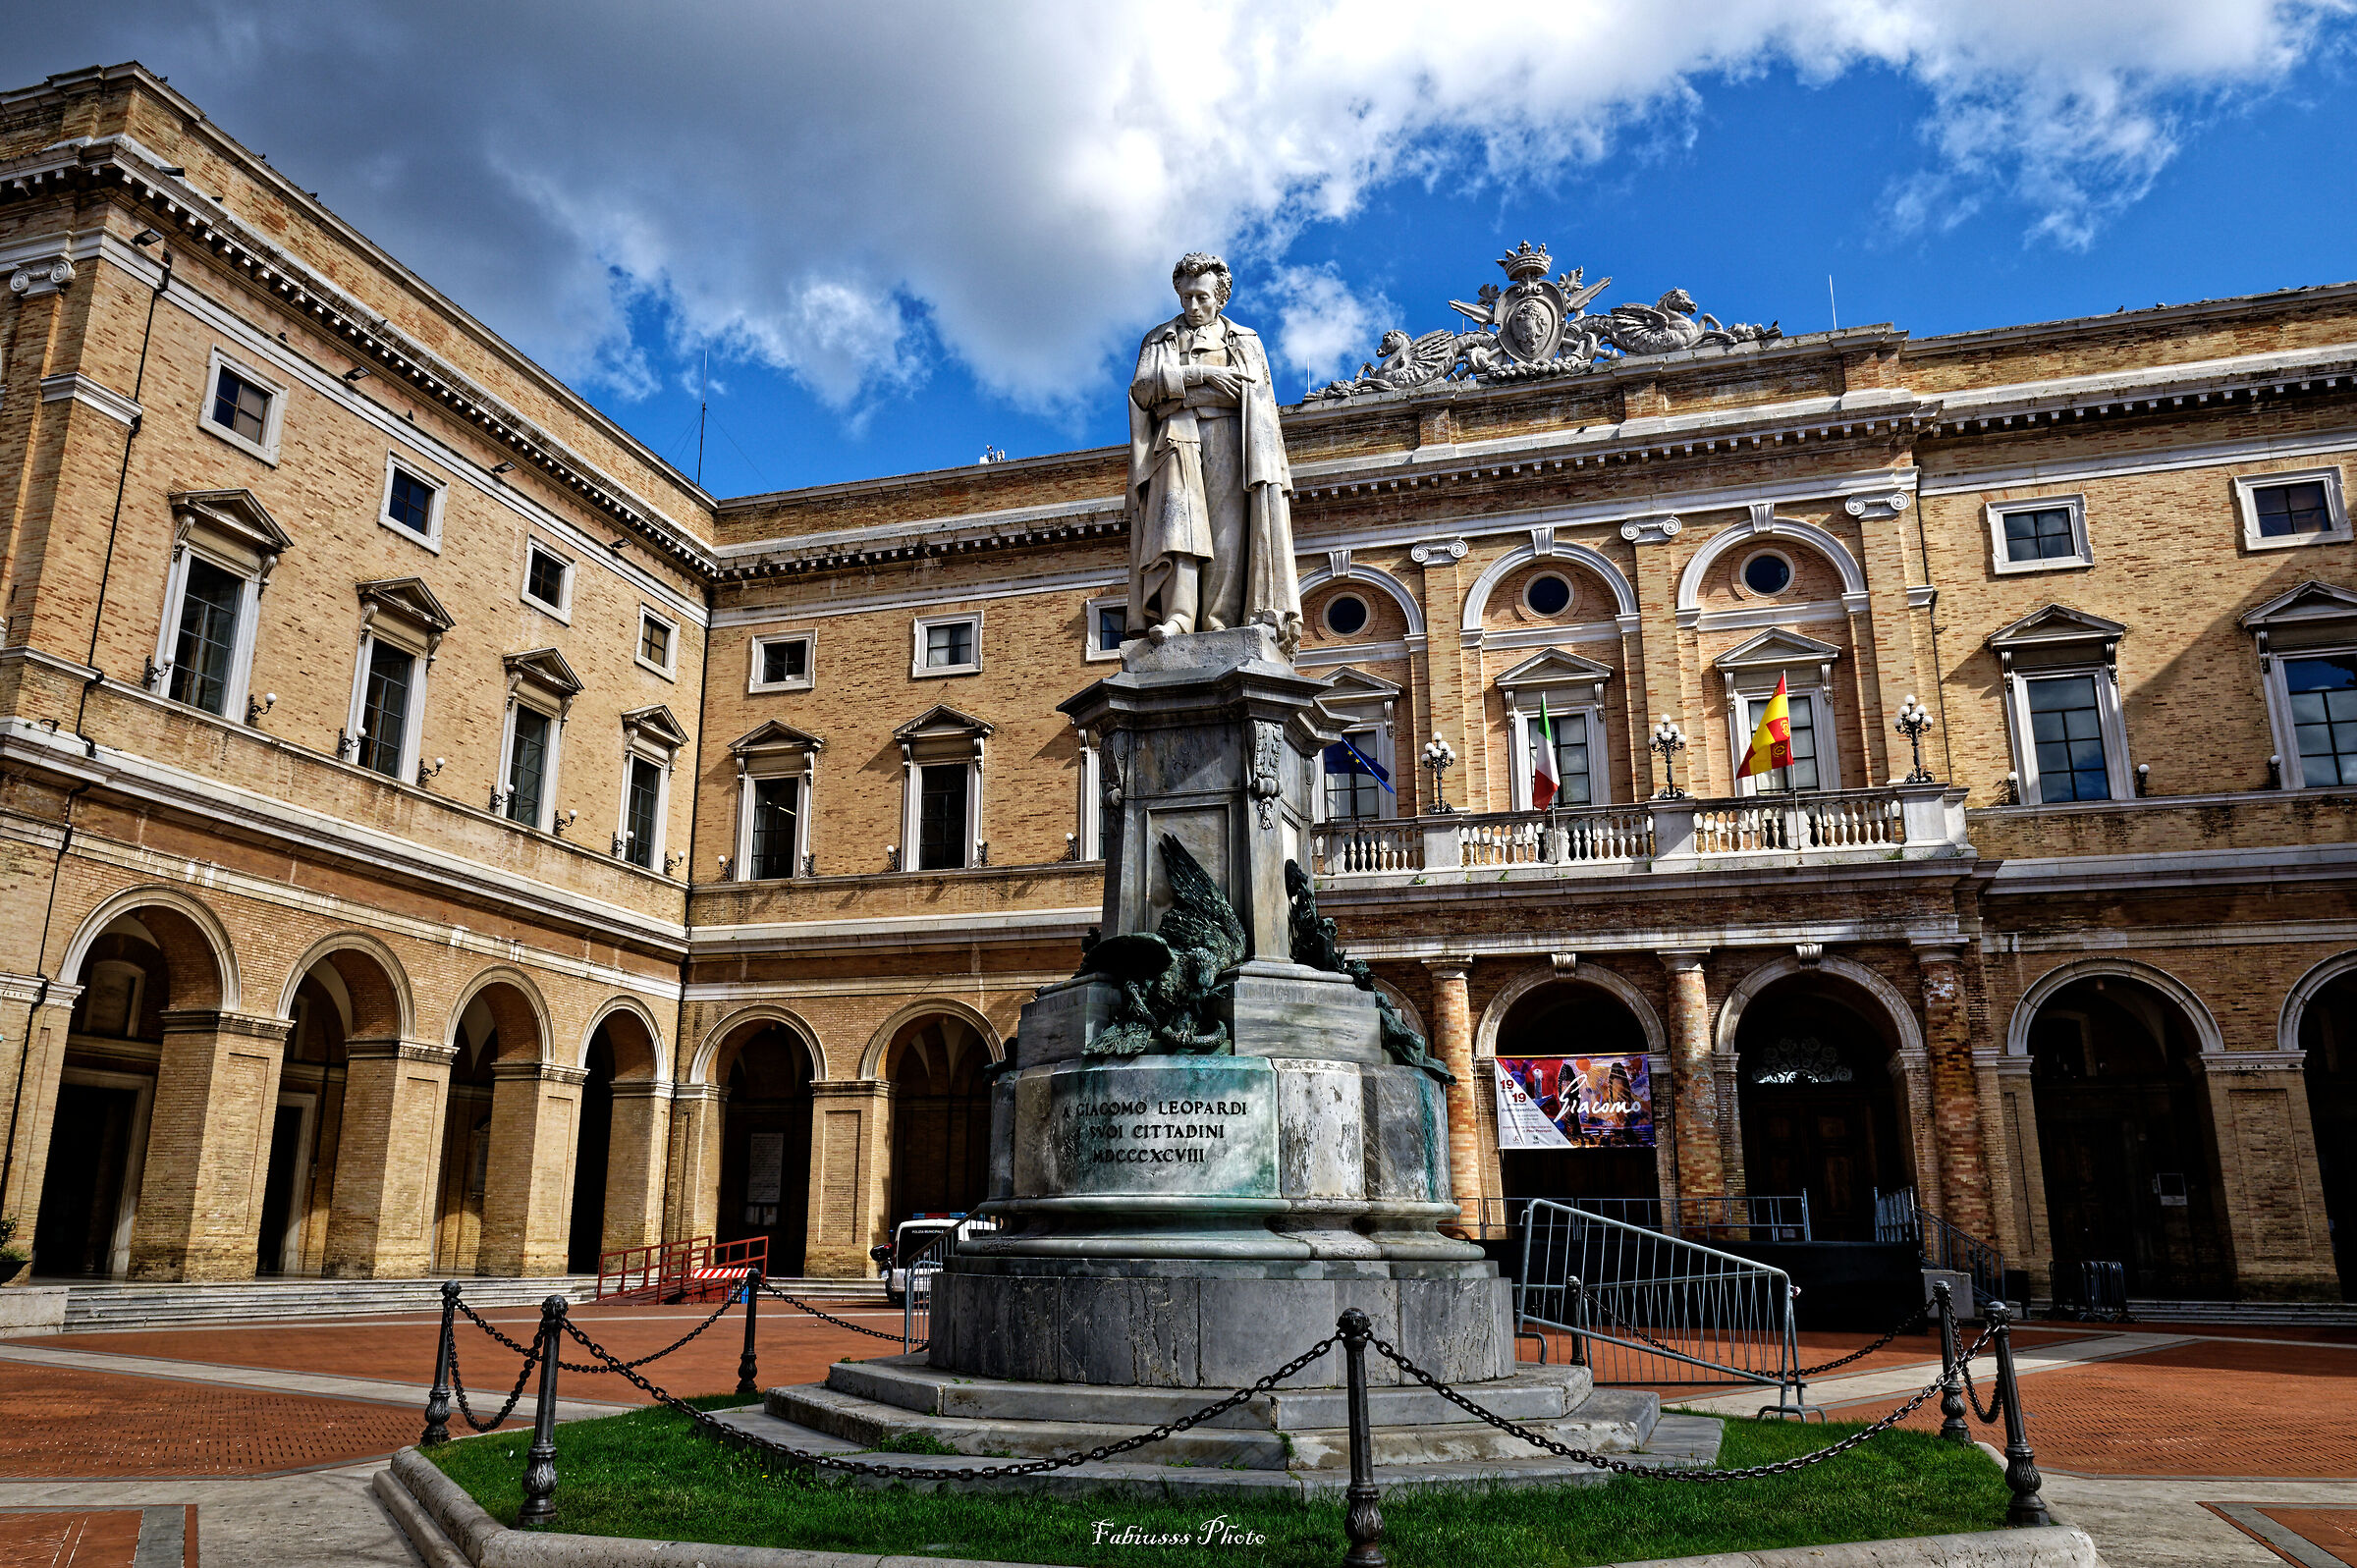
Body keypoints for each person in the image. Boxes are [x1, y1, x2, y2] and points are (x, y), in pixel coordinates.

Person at [1125, 253, 1304, 654]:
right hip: (1174, 438)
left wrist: (1175, 392)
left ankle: (1219, 623)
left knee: (1226, 533)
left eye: (1202, 297)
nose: (1192, 306)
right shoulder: (1158, 339)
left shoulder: (1244, 340)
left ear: (1220, 298)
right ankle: (1178, 618)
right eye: (1186, 296)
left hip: (1229, 438)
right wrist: (1203, 376)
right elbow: (1142, 391)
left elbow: (1250, 394)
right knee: (1176, 530)